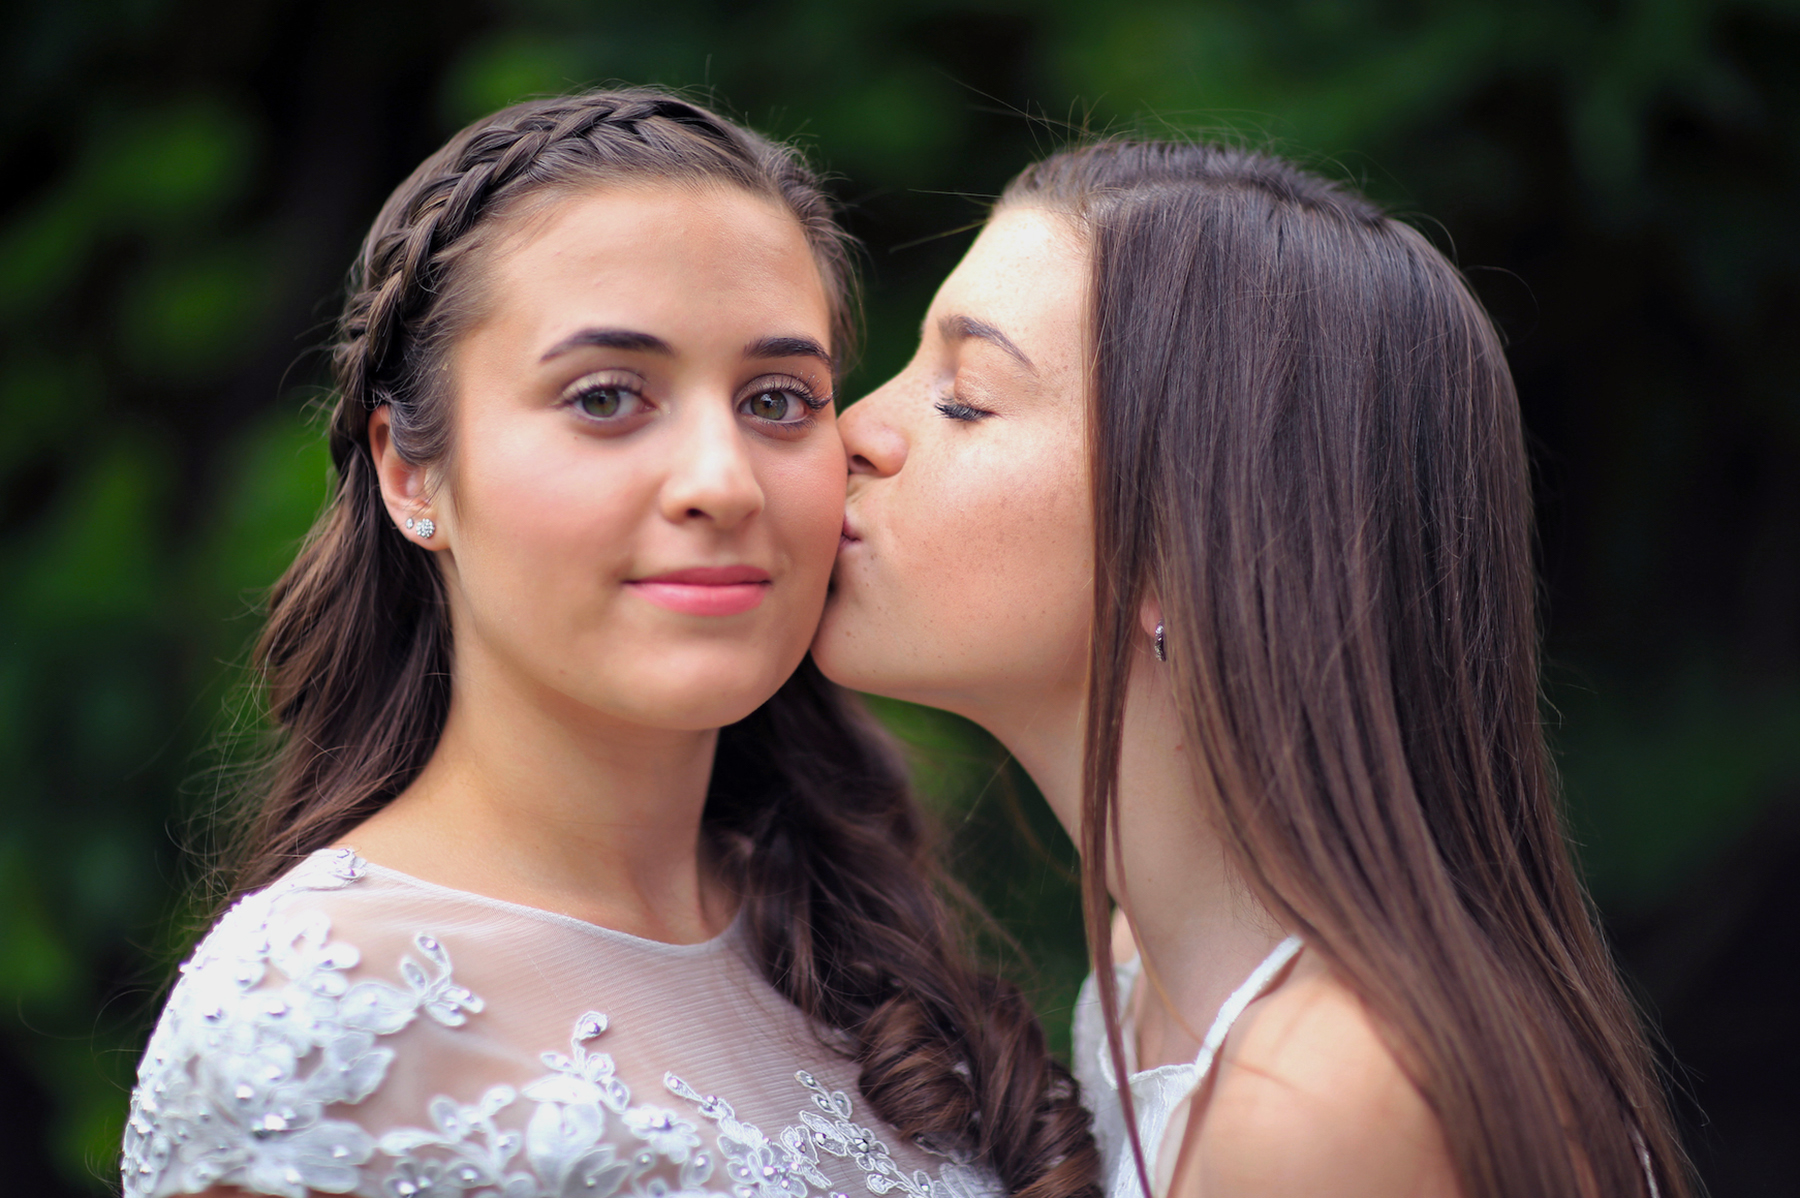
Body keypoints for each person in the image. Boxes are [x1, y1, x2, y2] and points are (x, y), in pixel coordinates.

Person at [121, 90, 1097, 1198]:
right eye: (604, 398)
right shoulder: (313, 1018)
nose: (721, 483)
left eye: (778, 398)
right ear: (411, 473)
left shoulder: (862, 942)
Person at [813, 140, 1691, 1198]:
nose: (854, 427)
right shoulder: (1152, 979)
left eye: (963, 396)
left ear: (1191, 549)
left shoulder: (1329, 1100)